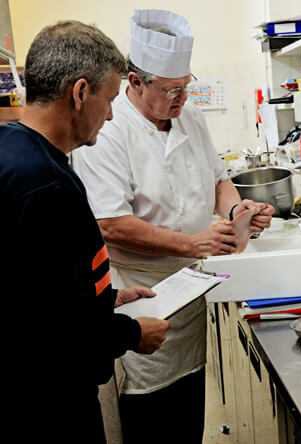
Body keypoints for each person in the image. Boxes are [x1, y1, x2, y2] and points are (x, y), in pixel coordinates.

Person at [74, 9, 274, 444]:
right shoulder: (108, 131)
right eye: (169, 90)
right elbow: (111, 224)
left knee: (190, 406)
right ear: (136, 80)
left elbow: (219, 179)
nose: (180, 98)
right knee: (152, 414)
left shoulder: (191, 117)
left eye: (185, 87)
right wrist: (191, 242)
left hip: (193, 289)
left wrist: (240, 212)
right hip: (144, 292)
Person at [0, 21, 170, 443]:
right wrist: (132, 333)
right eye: (109, 98)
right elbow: (55, 328)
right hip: (48, 402)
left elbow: (33, 286)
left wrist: (106, 297)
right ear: (79, 93)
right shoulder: (46, 184)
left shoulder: (12, 150)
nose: (111, 114)